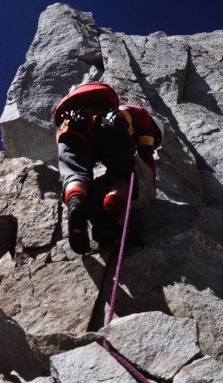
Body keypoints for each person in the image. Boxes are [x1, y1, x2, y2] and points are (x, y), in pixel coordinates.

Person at [54, 81, 163, 254]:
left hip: (69, 125)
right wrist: (151, 190)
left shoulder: (81, 107)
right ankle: (107, 220)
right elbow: (146, 156)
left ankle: (76, 203)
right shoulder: (141, 115)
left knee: (75, 173)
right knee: (123, 174)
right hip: (109, 121)